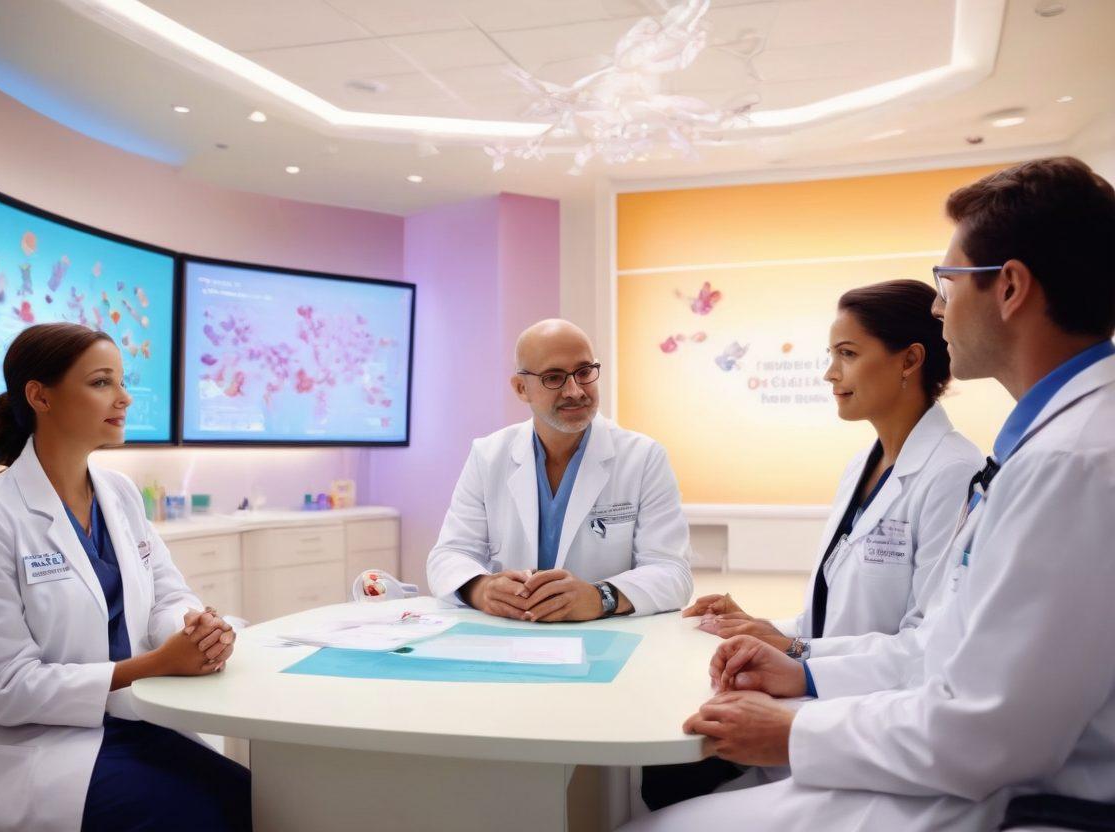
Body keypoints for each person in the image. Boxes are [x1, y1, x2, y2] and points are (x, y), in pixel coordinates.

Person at [621, 156, 1115, 831]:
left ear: (1009, 288)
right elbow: (942, 648)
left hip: (1004, 796)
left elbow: (986, 729)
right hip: (937, 748)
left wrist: (795, 726)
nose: (938, 306)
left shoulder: (1070, 462)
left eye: (947, 282)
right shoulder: (1047, 448)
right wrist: (798, 662)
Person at [643, 280, 982, 810]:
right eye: (832, 355)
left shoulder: (953, 473)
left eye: (847, 354)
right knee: (659, 770)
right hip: (821, 699)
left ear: (909, 360)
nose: (830, 373)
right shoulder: (864, 465)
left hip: (868, 728)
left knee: (669, 784)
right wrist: (765, 627)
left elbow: (926, 647)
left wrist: (797, 657)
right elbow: (834, 616)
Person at [0, 324, 251, 832]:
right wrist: (155, 664)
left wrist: (194, 631)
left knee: (254, 796)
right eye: (101, 382)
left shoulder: (119, 494)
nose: (124, 398)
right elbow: (4, 689)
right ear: (40, 397)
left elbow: (166, 595)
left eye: (121, 381)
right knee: (210, 811)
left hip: (125, 720)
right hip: (28, 747)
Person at [426, 319, 692, 622]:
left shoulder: (643, 458)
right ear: (521, 388)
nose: (574, 390)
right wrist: (482, 589)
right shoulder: (488, 456)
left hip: (606, 636)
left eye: (584, 372)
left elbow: (673, 572)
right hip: (510, 634)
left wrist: (600, 597)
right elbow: (449, 555)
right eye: (554, 377)